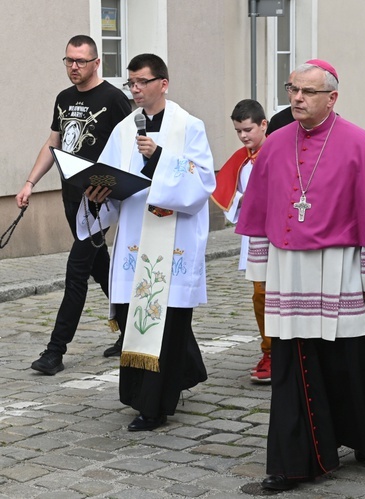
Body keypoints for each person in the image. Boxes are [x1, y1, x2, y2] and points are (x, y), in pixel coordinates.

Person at [235, 60, 365, 492]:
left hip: (340, 270)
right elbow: (258, 211)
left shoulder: (360, 144)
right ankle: (295, 460)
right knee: (293, 362)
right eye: (293, 89)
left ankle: (364, 439)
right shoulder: (275, 144)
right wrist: (260, 268)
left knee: (348, 358)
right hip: (290, 269)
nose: (297, 98)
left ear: (332, 97)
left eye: (308, 92)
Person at [80, 53, 215, 432]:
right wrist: (98, 191)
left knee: (168, 322)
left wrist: (159, 158)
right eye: (131, 83)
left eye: (141, 82)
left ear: (163, 84)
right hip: (135, 239)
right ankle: (171, 378)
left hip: (173, 241)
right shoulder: (125, 128)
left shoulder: (189, 126)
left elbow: (202, 182)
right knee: (131, 316)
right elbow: (108, 173)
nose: (135, 89)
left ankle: (154, 406)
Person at [16, 35, 131, 375]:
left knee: (76, 271)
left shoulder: (114, 99)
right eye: (69, 60)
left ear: (97, 62)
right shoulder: (64, 98)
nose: (74, 67)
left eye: (81, 61)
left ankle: (55, 352)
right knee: (100, 267)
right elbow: (53, 143)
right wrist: (29, 182)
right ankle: (129, 333)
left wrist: (112, 189)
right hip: (71, 198)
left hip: (98, 203)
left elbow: (130, 149)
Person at [210, 99, 271, 383]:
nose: (244, 136)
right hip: (257, 236)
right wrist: (245, 201)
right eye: (238, 131)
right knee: (261, 295)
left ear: (263, 124)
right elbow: (230, 196)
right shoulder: (241, 160)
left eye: (248, 129)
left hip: (283, 234)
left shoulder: (279, 151)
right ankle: (269, 350)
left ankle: (294, 350)